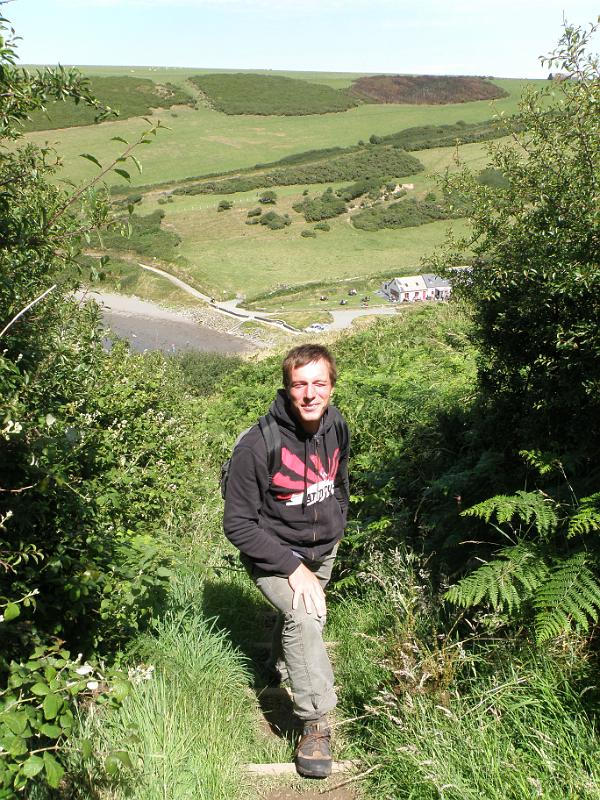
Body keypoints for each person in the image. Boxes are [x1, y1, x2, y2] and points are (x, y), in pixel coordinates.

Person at [223, 344, 350, 779]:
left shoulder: (336, 426)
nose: (310, 394)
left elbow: (339, 481)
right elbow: (238, 525)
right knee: (306, 614)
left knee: (301, 619)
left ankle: (275, 663)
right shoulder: (258, 445)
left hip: (322, 547)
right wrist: (294, 569)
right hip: (274, 554)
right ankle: (315, 722)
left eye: (319, 383)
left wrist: (338, 524)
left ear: (332, 387)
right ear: (287, 388)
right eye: (300, 384)